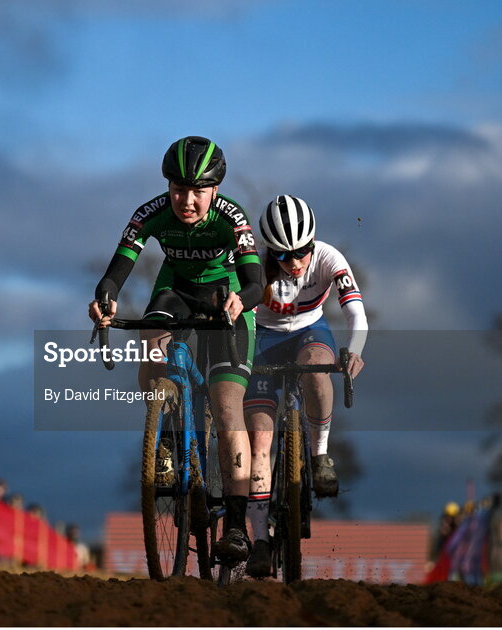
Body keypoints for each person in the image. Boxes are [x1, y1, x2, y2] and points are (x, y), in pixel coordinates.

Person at [88, 136, 264, 564]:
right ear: (168, 186)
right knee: (152, 337)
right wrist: (105, 299)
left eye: (197, 191)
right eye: (178, 189)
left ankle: (236, 526)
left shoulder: (231, 217)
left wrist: (241, 301)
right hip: (176, 291)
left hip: (226, 297)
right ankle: (165, 435)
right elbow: (116, 271)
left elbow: (257, 283)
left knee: (226, 407)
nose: (187, 201)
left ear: (215, 190)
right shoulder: (151, 213)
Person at [241, 194, 367, 577]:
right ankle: (260, 542)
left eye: (302, 252)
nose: (295, 263)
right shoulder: (253, 265)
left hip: (310, 331)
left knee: (316, 369)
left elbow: (356, 314)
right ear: (269, 250)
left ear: (313, 242)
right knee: (260, 441)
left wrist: (354, 351)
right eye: (283, 255)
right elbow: (238, 318)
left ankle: (320, 456)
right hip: (262, 338)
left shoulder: (330, 258)